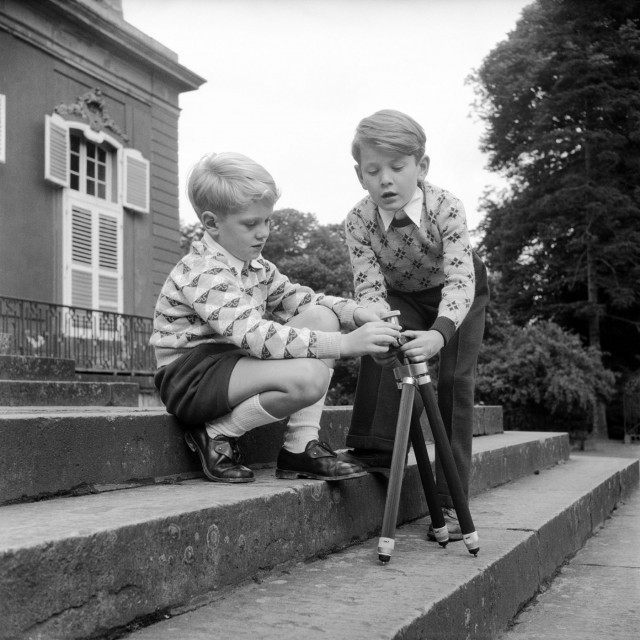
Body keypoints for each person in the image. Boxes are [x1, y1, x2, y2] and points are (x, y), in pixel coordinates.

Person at [150, 151, 401, 485]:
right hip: (189, 377)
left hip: (230, 366)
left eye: (267, 221)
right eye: (251, 224)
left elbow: (303, 301)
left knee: (322, 316)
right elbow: (256, 336)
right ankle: (215, 434)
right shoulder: (202, 271)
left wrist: (357, 314)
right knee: (309, 375)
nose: (263, 233)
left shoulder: (256, 267)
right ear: (211, 223)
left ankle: (300, 446)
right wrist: (346, 344)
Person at [340, 110, 489, 540]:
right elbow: (369, 289)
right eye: (373, 170)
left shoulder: (446, 207)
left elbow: (461, 280)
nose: (385, 179)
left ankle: (450, 498)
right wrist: (382, 326)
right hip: (401, 294)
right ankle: (376, 448)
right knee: (383, 346)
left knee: (454, 383)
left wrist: (440, 333)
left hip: (459, 292)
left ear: (421, 167)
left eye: (397, 167)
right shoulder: (357, 221)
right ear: (360, 175)